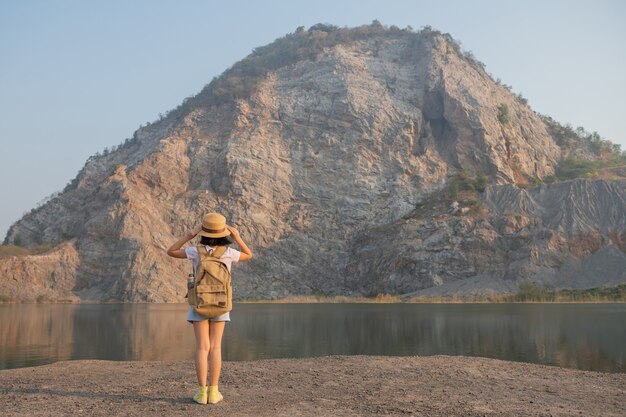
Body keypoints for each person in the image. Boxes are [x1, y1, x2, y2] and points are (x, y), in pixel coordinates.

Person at [166, 212, 252, 405]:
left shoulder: (195, 251)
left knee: (202, 347)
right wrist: (237, 236)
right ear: (224, 233)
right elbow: (249, 254)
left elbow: (171, 251)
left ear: (203, 232)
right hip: (221, 305)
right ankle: (214, 392)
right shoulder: (229, 253)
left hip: (199, 304)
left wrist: (189, 235)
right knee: (215, 347)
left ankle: (201, 393)